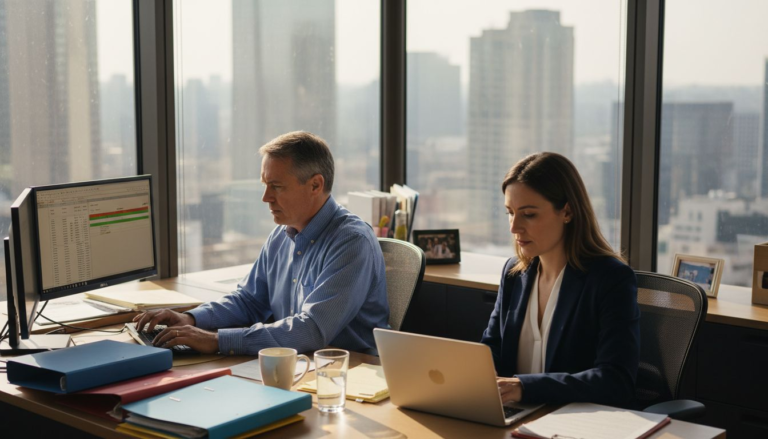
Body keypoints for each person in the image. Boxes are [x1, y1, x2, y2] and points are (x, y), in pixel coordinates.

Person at [134, 131, 389, 355]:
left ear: (315, 184)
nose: (266, 198)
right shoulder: (282, 234)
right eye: (265, 185)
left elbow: (311, 330)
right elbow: (249, 301)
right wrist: (190, 319)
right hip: (295, 364)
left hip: (347, 375)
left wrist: (217, 341)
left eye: (276, 186)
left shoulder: (352, 242)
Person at [481, 152, 640, 407]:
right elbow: (492, 349)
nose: (514, 227)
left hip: (574, 424)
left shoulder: (610, 280)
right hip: (516, 419)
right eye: (509, 212)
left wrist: (525, 388)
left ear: (567, 211)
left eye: (528, 214)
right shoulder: (514, 274)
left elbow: (616, 380)